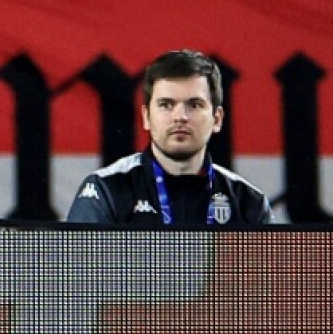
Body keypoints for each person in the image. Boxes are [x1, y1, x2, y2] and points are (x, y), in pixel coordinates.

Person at [66, 50, 273, 225]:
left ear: (217, 119)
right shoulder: (106, 190)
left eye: (194, 105)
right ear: (146, 117)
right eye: (166, 105)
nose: (180, 117)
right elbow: (79, 272)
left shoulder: (248, 202)